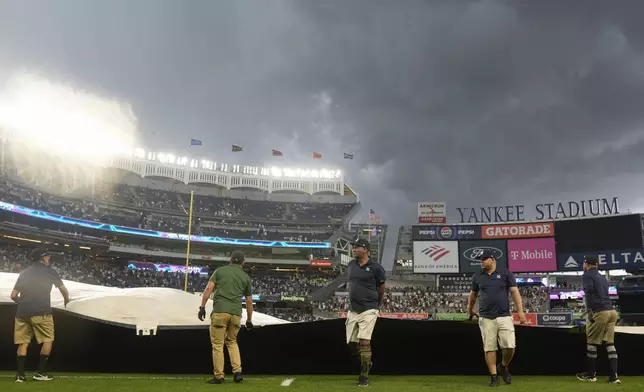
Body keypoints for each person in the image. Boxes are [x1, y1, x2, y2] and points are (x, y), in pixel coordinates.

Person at [10, 248, 71, 383]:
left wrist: (24, 303)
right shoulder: (50, 271)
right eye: (47, 256)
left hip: (22, 313)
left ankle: (20, 375)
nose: (49, 258)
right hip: (42, 312)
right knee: (48, 339)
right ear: (43, 258)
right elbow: (64, 291)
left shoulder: (24, 273)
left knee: (23, 343)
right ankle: (41, 373)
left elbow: (13, 295)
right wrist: (67, 300)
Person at [467, 250, 526, 387]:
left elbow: (514, 292)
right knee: (489, 347)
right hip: (486, 317)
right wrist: (470, 308)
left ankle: (503, 366)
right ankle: (494, 376)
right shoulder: (477, 276)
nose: (481, 261)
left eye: (484, 258)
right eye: (480, 259)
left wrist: (520, 312)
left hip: (504, 315)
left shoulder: (505, 273)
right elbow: (473, 294)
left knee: (510, 345)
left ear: (492, 259)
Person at [198, 250, 253, 384]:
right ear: (243, 262)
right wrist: (249, 320)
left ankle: (219, 376)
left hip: (220, 312)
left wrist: (202, 307)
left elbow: (208, 289)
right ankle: (237, 372)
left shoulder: (220, 271)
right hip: (236, 314)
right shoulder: (245, 277)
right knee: (232, 342)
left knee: (218, 344)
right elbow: (249, 301)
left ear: (230, 260)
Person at [345, 238, 386, 387]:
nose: (354, 249)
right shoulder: (350, 265)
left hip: (369, 308)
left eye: (357, 247)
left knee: (364, 341)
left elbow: (381, 288)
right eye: (353, 247)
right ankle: (367, 362)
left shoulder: (376, 267)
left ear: (366, 249)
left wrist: (376, 304)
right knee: (351, 343)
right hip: (353, 309)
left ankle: (364, 376)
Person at [576, 255, 620, 384]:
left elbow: (589, 291)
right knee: (610, 343)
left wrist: (589, 310)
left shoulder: (587, 275)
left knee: (592, 342)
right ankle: (614, 376)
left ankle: (591, 375)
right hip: (612, 311)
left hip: (599, 311)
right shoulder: (602, 277)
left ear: (586, 264)